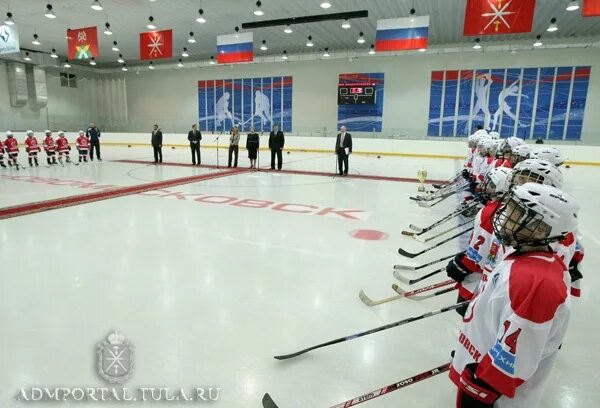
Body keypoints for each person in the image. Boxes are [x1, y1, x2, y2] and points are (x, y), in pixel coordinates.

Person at [451, 183, 579, 408]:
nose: (506, 215)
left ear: (542, 229)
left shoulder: (536, 283)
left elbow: (514, 358)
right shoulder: (523, 255)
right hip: (481, 365)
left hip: (498, 396)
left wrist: (482, 390)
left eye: (518, 213)